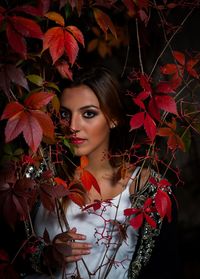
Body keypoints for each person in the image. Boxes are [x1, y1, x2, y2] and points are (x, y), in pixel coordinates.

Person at [25, 66, 178, 279]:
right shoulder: (41, 174)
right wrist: (46, 256)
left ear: (113, 118)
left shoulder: (147, 189)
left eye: (88, 114)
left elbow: (163, 267)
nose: (72, 126)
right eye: (64, 114)